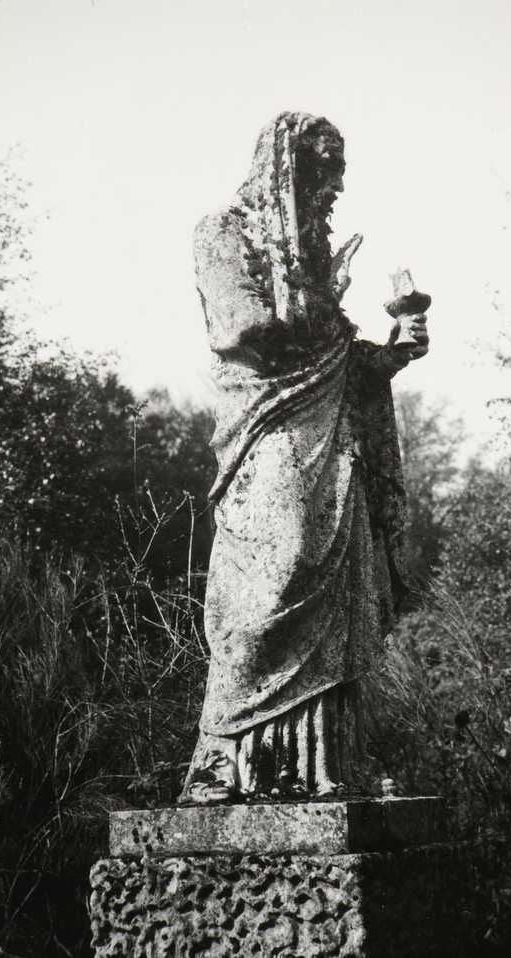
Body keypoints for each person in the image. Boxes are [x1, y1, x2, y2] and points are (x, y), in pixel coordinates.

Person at [179, 111, 429, 805]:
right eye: (325, 168)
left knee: (339, 580)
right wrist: (316, 316)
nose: (336, 186)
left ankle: (319, 767)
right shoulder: (225, 232)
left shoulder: (313, 258)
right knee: (280, 565)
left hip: (329, 433)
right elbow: (241, 328)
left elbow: (346, 366)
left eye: (340, 170)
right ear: (286, 166)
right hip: (271, 429)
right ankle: (229, 759)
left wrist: (395, 347)